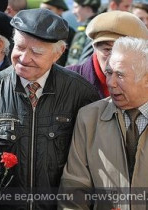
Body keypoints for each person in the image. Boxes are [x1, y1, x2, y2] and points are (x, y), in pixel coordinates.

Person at [0, 8, 100, 209]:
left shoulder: (81, 94)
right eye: (20, 47)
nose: (24, 58)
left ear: (58, 53)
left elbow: (93, 163)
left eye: (36, 52)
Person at [58, 37, 148, 209]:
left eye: (120, 75)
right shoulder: (89, 117)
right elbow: (75, 187)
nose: (110, 83)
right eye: (109, 73)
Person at [67, 11, 148, 98]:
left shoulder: (144, 81)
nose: (114, 59)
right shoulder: (65, 81)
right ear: (94, 48)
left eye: (124, 51)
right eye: (108, 50)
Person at [40, 0, 76, 66]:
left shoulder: (69, 32)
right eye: (41, 9)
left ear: (60, 10)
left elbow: (73, 58)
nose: (43, 13)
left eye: (48, 9)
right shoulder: (37, 29)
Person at [66, 0, 101, 66]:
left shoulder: (94, 30)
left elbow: (85, 62)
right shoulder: (86, 28)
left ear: (88, 9)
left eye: (76, 7)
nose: (73, 12)